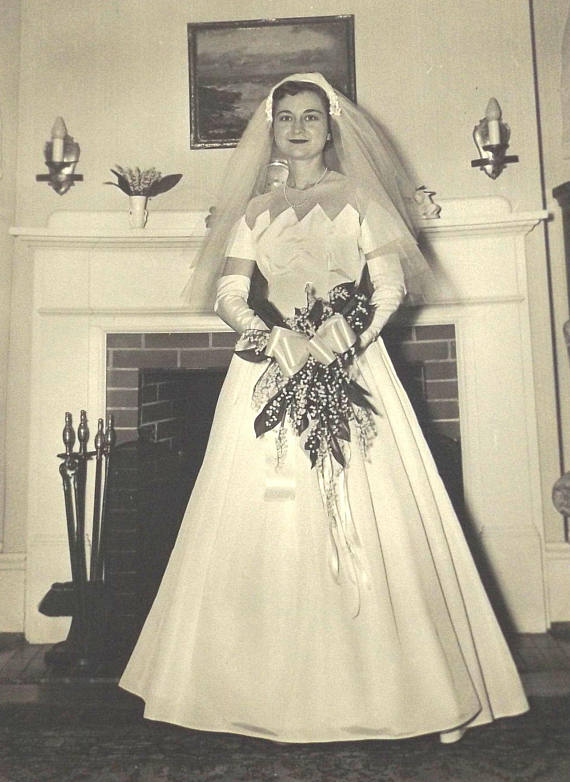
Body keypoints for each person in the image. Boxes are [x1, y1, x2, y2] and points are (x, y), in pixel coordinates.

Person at [119, 73, 528, 744]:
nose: (299, 127)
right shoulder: (255, 210)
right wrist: (270, 336)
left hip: (352, 362)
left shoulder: (363, 200)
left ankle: (422, 696)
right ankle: (249, 693)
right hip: (271, 367)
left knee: (380, 519)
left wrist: (345, 335)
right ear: (272, 129)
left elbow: (390, 285)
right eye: (286, 117)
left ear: (331, 127)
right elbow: (228, 291)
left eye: (311, 116)